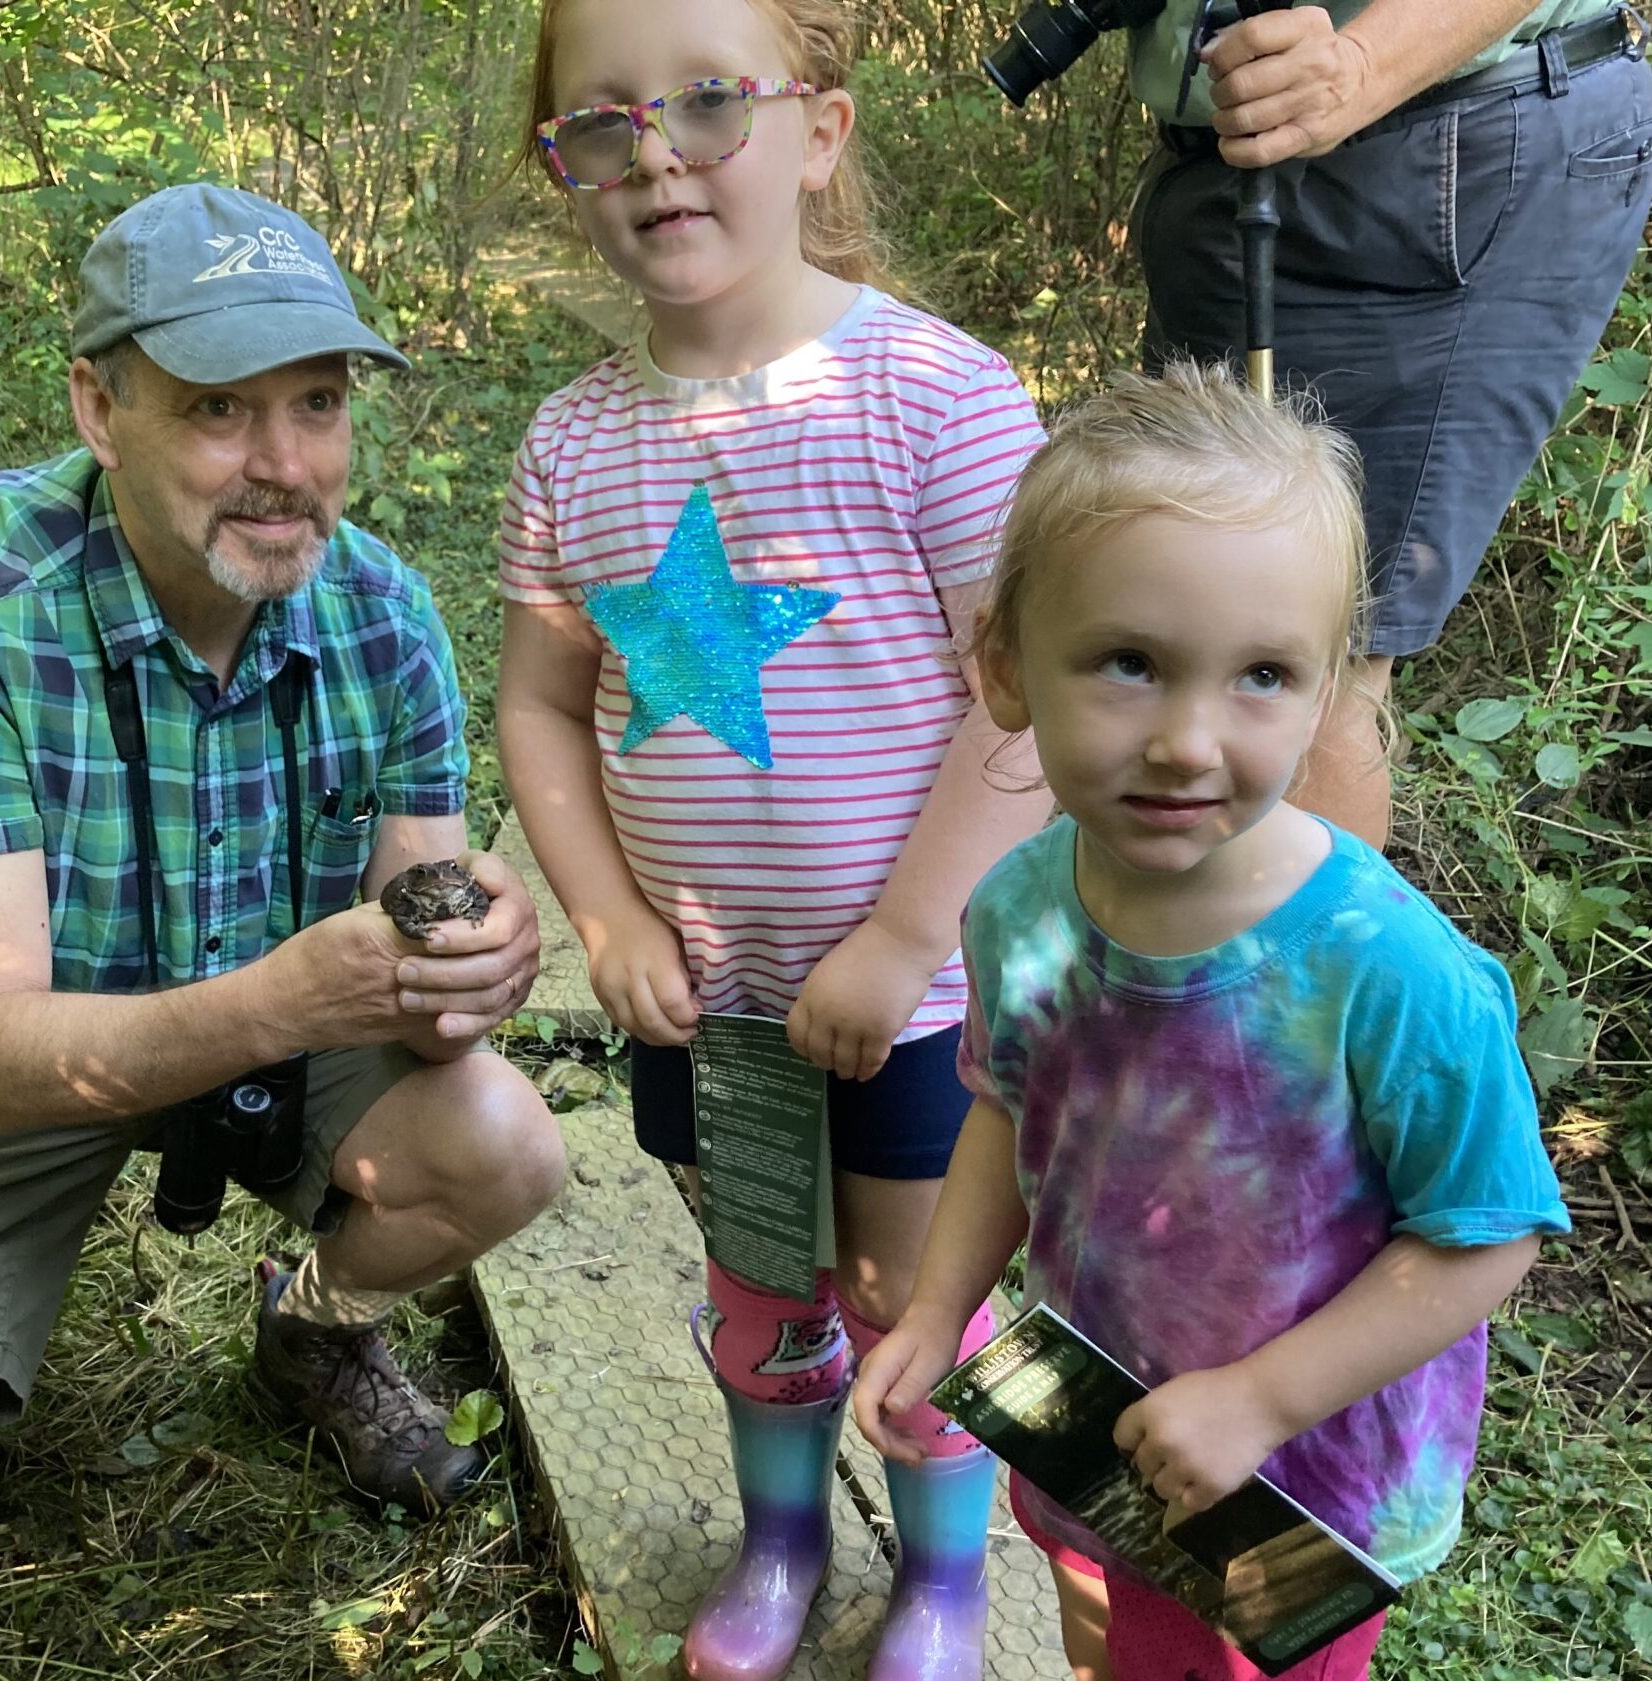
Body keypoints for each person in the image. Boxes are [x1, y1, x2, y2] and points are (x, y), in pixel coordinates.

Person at [0, 183, 568, 1576]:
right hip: (0, 1089)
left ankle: (313, 1329)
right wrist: (286, 999)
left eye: (317, 403)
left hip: (284, 1038)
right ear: (96, 408)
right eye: (216, 410)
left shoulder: (384, 613)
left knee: (502, 1140)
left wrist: (469, 965)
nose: (283, 462)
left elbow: (426, 998)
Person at [854, 364, 1571, 1681]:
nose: (1190, 740)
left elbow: (1486, 1240)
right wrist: (934, 1304)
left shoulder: (1390, 971)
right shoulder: (1019, 909)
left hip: (1302, 1482)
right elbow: (1010, 1104)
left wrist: (1261, 1400)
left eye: (1260, 676)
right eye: (1130, 662)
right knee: (1110, 1617)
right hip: (1093, 1411)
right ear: (1006, 669)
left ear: (1326, 693)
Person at [497, 3, 1051, 1677]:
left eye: (707, 105)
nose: (653, 151)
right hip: (710, 999)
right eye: (600, 124)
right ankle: (784, 1540)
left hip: (927, 1001)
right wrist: (602, 922)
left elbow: (1020, 704)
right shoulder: (569, 443)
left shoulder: (937, 399)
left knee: (911, 1299)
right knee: (764, 1284)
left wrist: (900, 937)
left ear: (816, 131)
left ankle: (944, 1577)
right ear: (563, 173)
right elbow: (536, 707)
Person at [1127, 0, 1652, 848]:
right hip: (1226, 168)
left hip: (1444, 134)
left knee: (1307, 661)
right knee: (1179, 621)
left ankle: (1307, 978)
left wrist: (1362, 66)